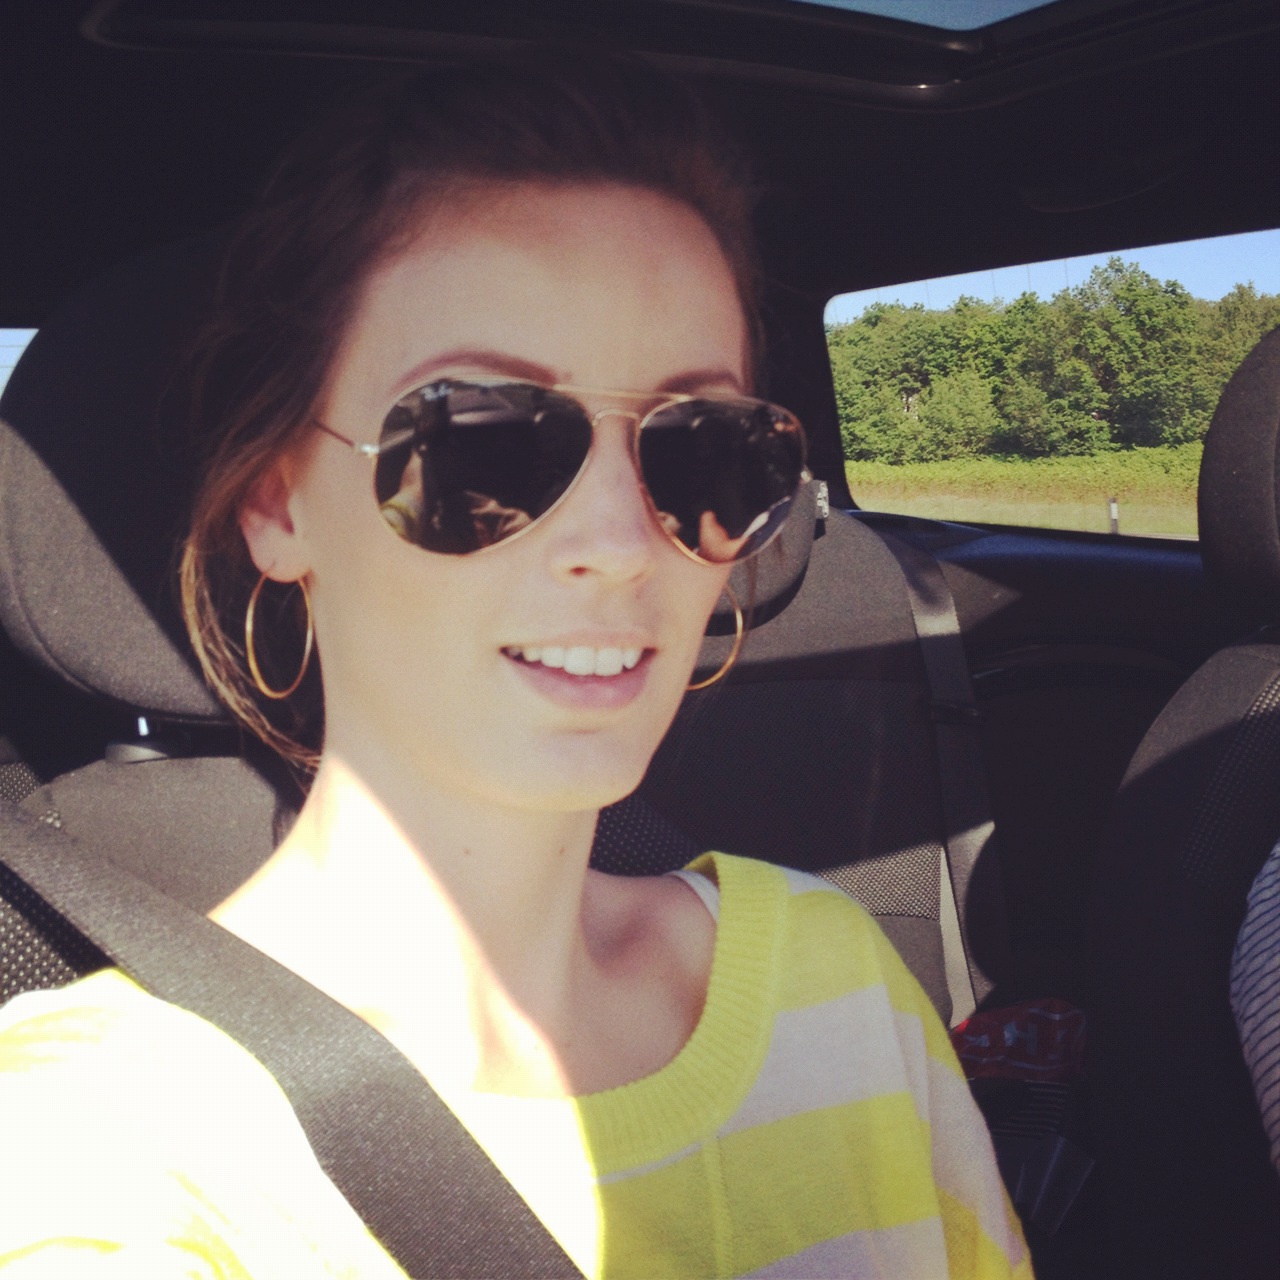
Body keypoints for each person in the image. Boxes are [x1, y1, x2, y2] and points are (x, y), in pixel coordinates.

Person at [0, 50, 1030, 1278]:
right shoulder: (101, 1136)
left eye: (704, 447)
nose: (619, 545)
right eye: (476, 442)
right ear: (276, 504)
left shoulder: (839, 974)